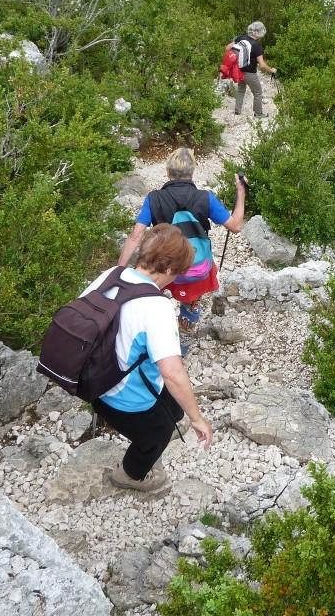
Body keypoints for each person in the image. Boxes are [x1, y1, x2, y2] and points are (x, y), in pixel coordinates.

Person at [88, 224, 214, 493]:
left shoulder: (111, 275)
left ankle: (168, 419)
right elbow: (172, 373)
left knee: (174, 410)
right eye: (179, 272)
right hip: (121, 397)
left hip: (90, 377)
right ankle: (129, 476)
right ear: (169, 269)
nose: (177, 279)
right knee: (157, 435)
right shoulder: (156, 307)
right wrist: (197, 419)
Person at [118, 147, 247, 351]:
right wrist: (240, 192)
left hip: (164, 267)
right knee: (191, 302)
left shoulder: (154, 199)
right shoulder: (206, 198)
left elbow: (136, 237)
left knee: (148, 297)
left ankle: (151, 338)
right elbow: (236, 226)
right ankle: (183, 345)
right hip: (196, 267)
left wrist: (119, 272)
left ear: (167, 172)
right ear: (192, 173)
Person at [233, 21, 277, 118]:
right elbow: (262, 65)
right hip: (250, 73)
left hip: (239, 70)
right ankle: (258, 113)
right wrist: (272, 70)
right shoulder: (256, 45)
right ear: (259, 32)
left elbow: (228, 48)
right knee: (257, 92)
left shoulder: (241, 38)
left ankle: (237, 110)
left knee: (240, 90)